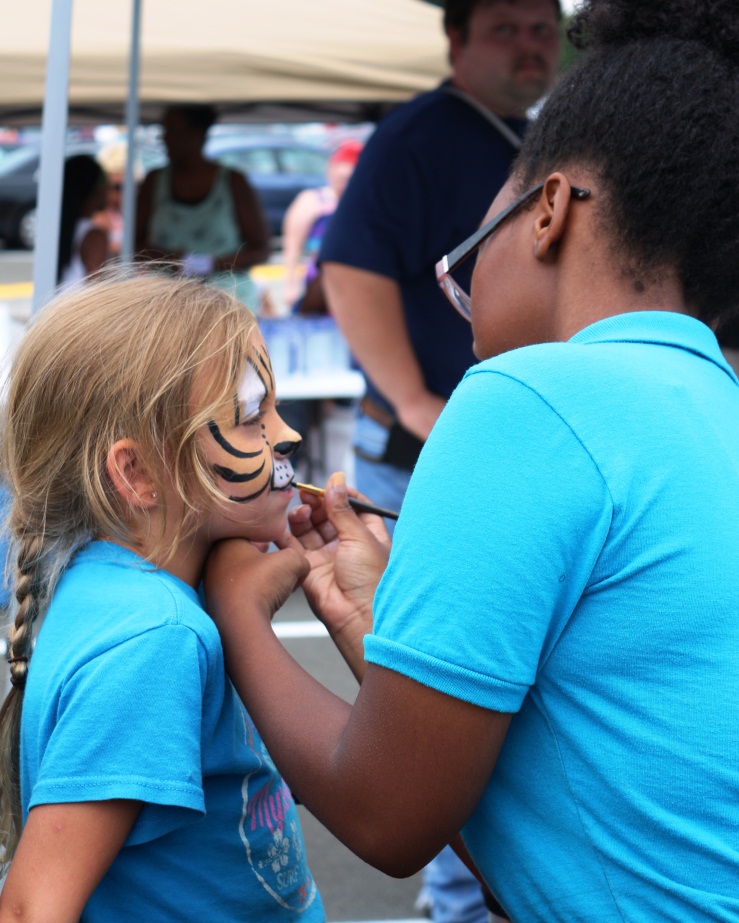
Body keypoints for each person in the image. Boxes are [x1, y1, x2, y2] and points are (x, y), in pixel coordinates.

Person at [203, 0, 739, 919]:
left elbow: (388, 813)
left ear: (548, 214)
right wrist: (375, 617)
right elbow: (560, 810)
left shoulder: (528, 397)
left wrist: (235, 612)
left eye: (465, 254)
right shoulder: (710, 405)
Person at [0, 276, 325, 921]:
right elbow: (34, 908)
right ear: (139, 474)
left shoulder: (110, 585)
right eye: (251, 416)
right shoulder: (158, 639)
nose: (285, 435)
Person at [320, 0, 561, 536]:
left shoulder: (530, 135)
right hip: (424, 458)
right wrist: (412, 400)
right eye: (504, 29)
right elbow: (350, 268)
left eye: (542, 29)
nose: (528, 44)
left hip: (498, 447)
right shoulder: (419, 137)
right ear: (457, 39)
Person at [135, 104, 270, 310]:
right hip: (165, 301)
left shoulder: (233, 182)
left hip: (225, 302)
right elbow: (133, 245)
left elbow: (260, 249)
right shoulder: (154, 181)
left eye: (172, 129)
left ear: (196, 133)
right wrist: (170, 259)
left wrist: (212, 263)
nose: (165, 138)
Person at [281, 139, 364, 314]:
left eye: (349, 178)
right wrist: (290, 285)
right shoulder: (313, 201)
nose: (344, 184)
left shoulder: (366, 206)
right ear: (330, 172)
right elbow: (292, 245)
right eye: (340, 178)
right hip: (318, 286)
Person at [57, 154, 109, 288]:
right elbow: (96, 292)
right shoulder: (94, 236)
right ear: (94, 191)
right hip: (78, 308)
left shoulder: (55, 228)